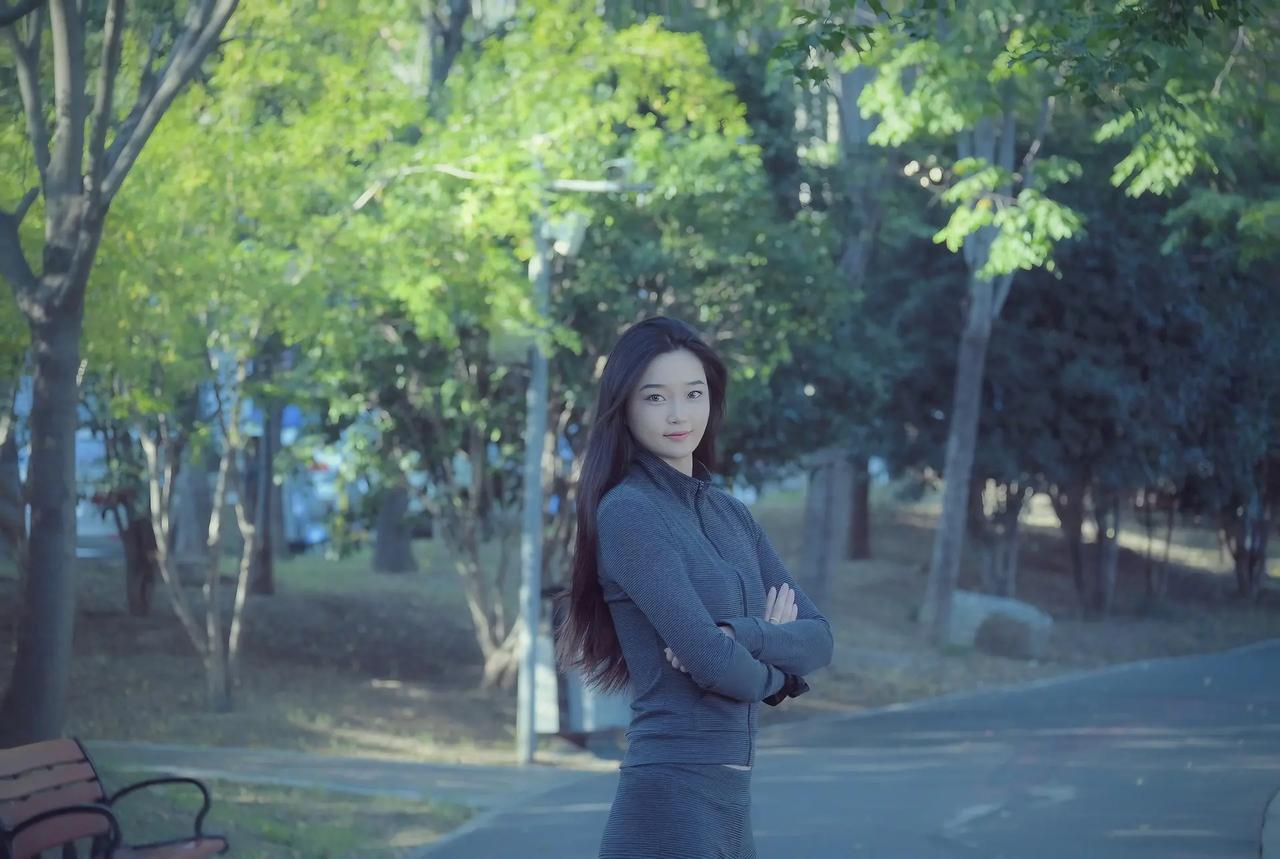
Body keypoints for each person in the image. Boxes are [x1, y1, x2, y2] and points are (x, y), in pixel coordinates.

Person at [554, 315, 835, 858]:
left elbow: (820, 638)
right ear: (624, 407)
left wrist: (741, 635)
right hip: (670, 793)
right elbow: (709, 661)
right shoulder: (629, 512)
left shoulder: (732, 515)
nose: (679, 414)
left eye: (693, 393)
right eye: (655, 397)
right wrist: (780, 677)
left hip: (730, 795)